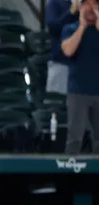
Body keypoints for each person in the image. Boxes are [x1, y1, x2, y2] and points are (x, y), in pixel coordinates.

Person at [61, 0, 99, 154]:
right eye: (86, 3)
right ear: (80, 7)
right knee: (75, 138)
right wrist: (82, 26)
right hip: (78, 91)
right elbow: (68, 51)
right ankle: (69, 175)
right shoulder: (70, 29)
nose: (90, 8)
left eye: (95, 4)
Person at [46, 0, 79, 95]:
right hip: (61, 62)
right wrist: (70, 13)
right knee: (57, 104)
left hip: (84, 65)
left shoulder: (90, 5)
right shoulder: (56, 3)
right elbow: (53, 28)